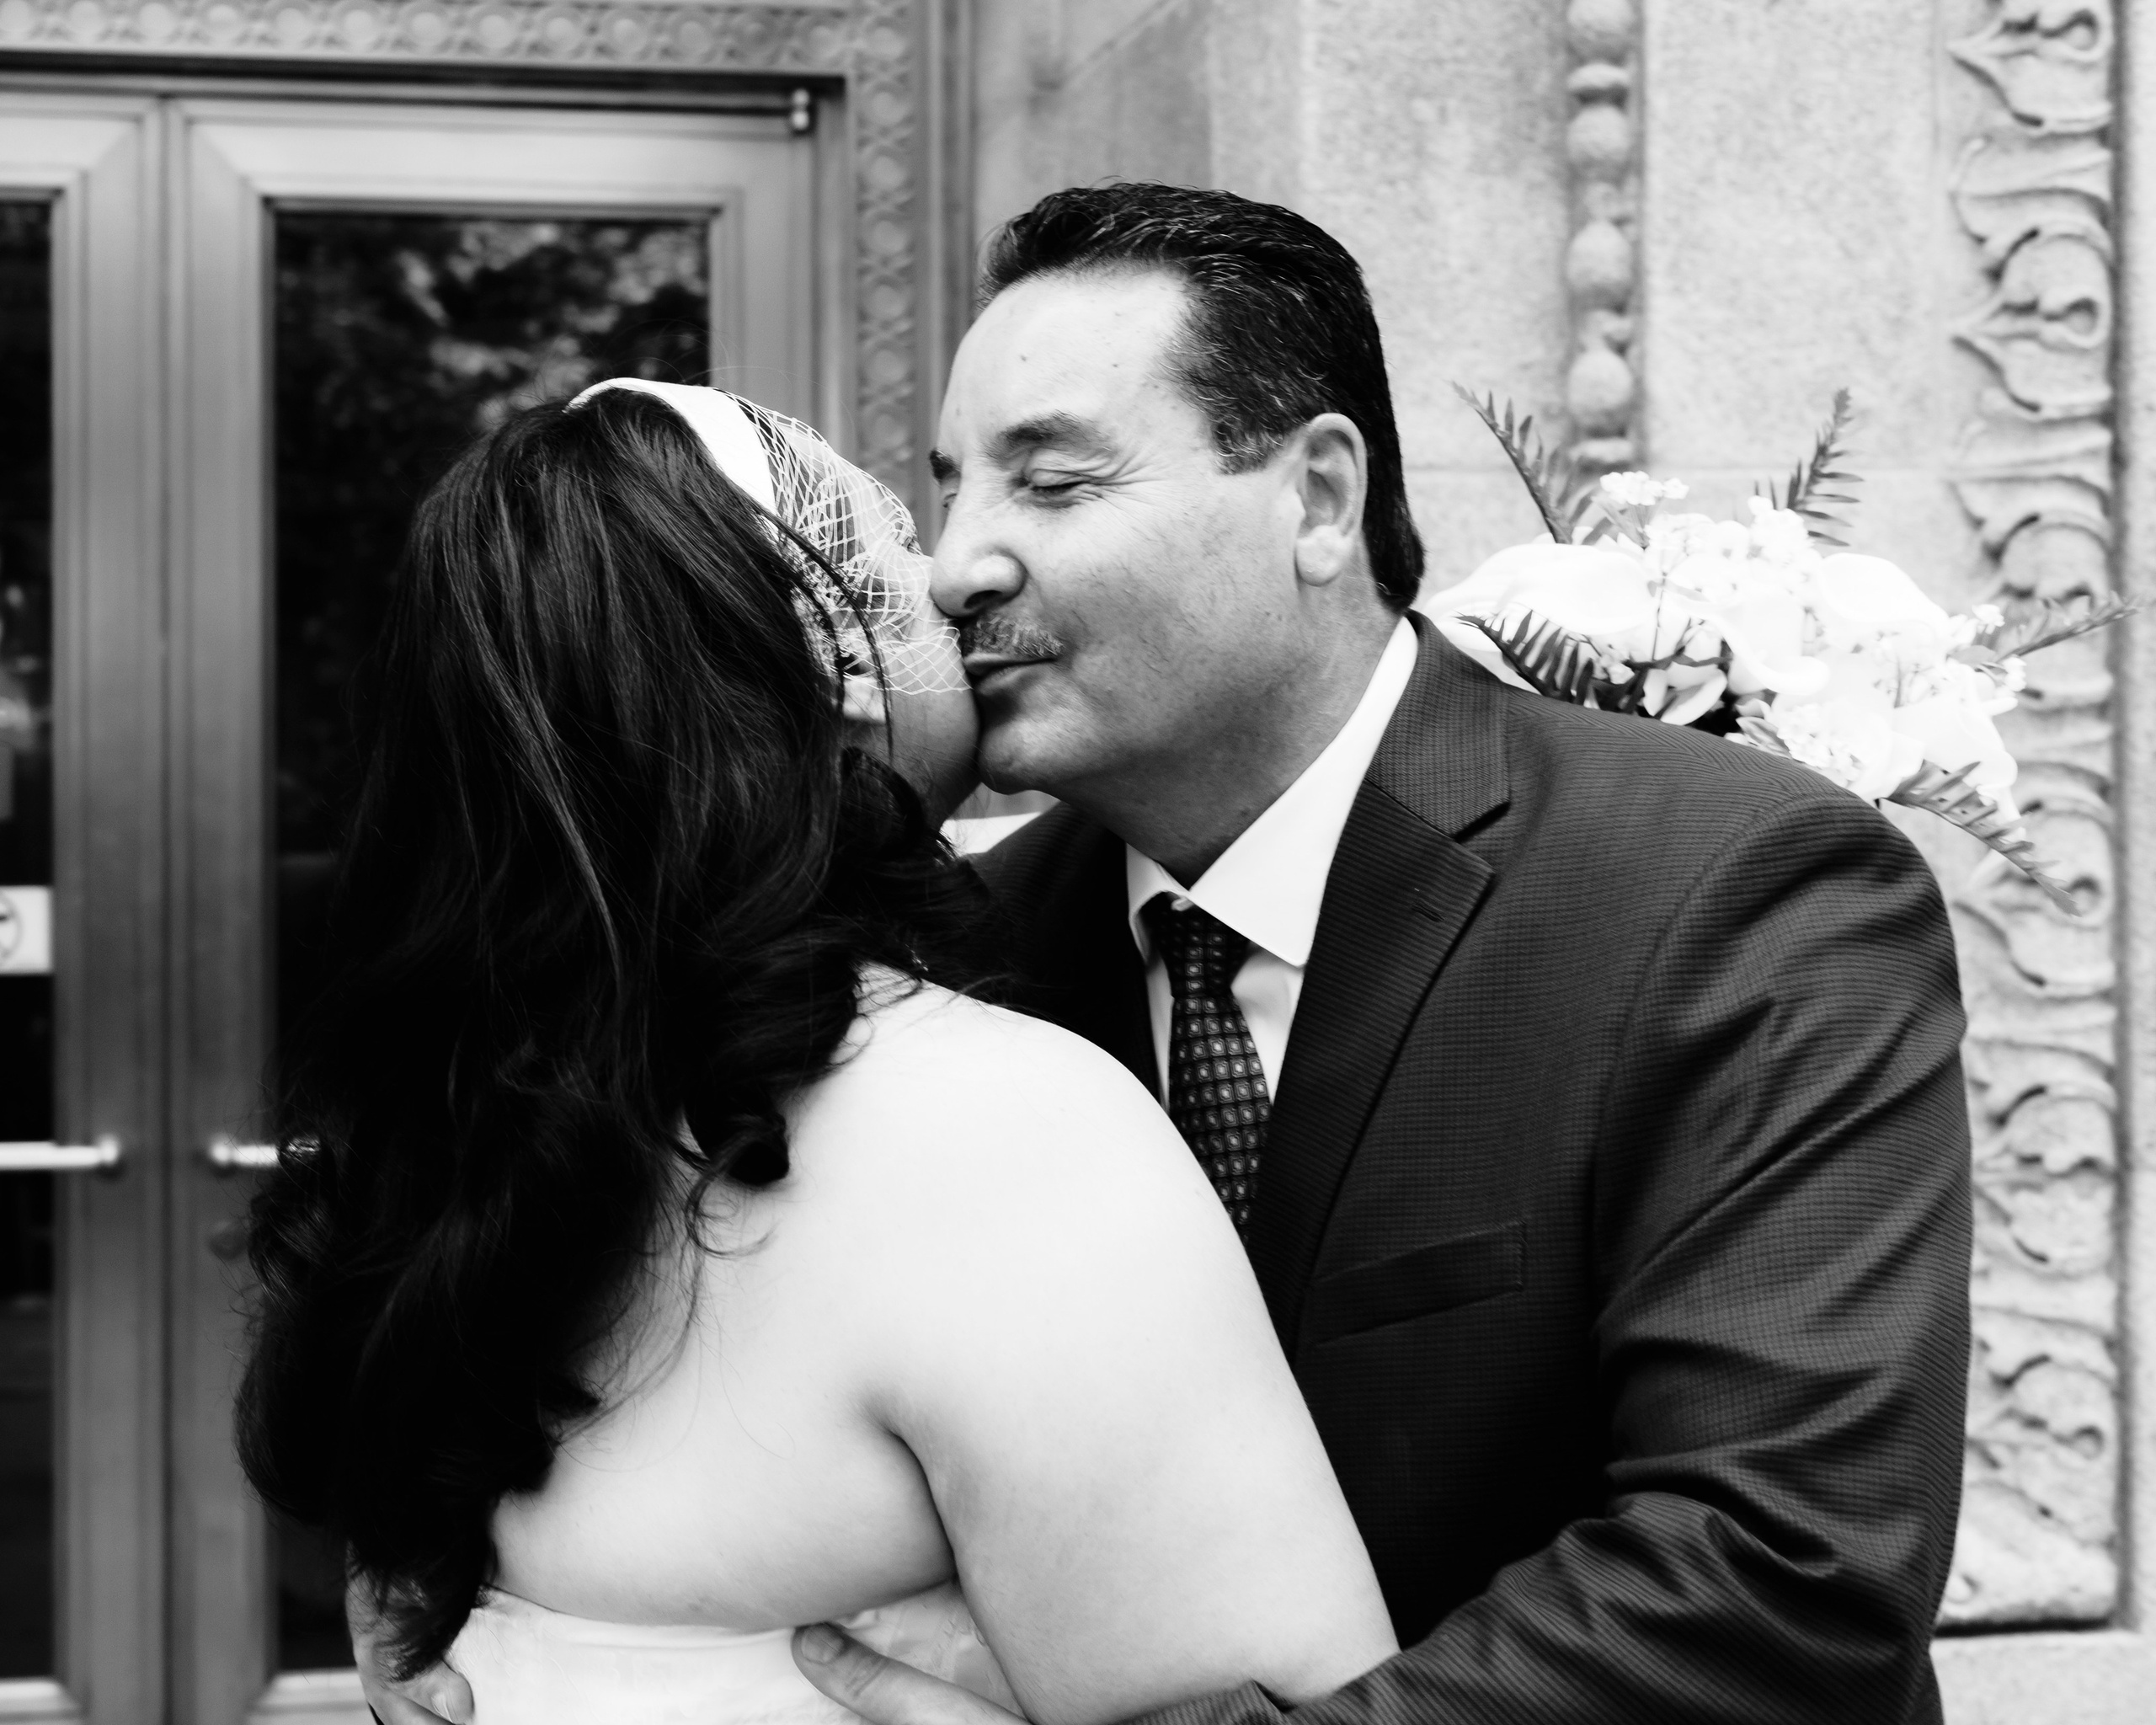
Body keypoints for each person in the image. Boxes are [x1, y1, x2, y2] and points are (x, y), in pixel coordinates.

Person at [772, 185, 1972, 1723]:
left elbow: (1789, 1562)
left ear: (1320, 500)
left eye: (1051, 483)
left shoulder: (1734, 888)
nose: (956, 571)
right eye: (949, 495)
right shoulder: (959, 968)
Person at [238, 377, 1397, 1724]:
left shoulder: (449, 1125)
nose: (958, 574)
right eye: (899, 543)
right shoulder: (1006, 1134)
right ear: (832, 683)